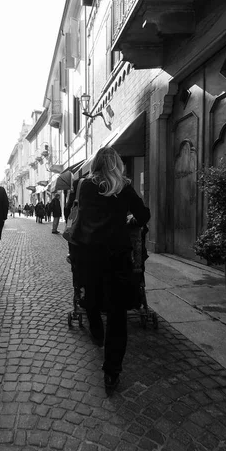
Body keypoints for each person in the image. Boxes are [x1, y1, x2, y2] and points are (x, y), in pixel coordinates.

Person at [66, 147, 150, 390]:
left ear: (95, 164)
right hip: (116, 255)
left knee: (90, 295)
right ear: (116, 164)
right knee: (117, 313)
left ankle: (96, 331)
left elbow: (72, 213)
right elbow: (143, 216)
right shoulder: (123, 186)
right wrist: (129, 221)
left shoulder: (84, 185)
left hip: (88, 252)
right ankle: (112, 371)